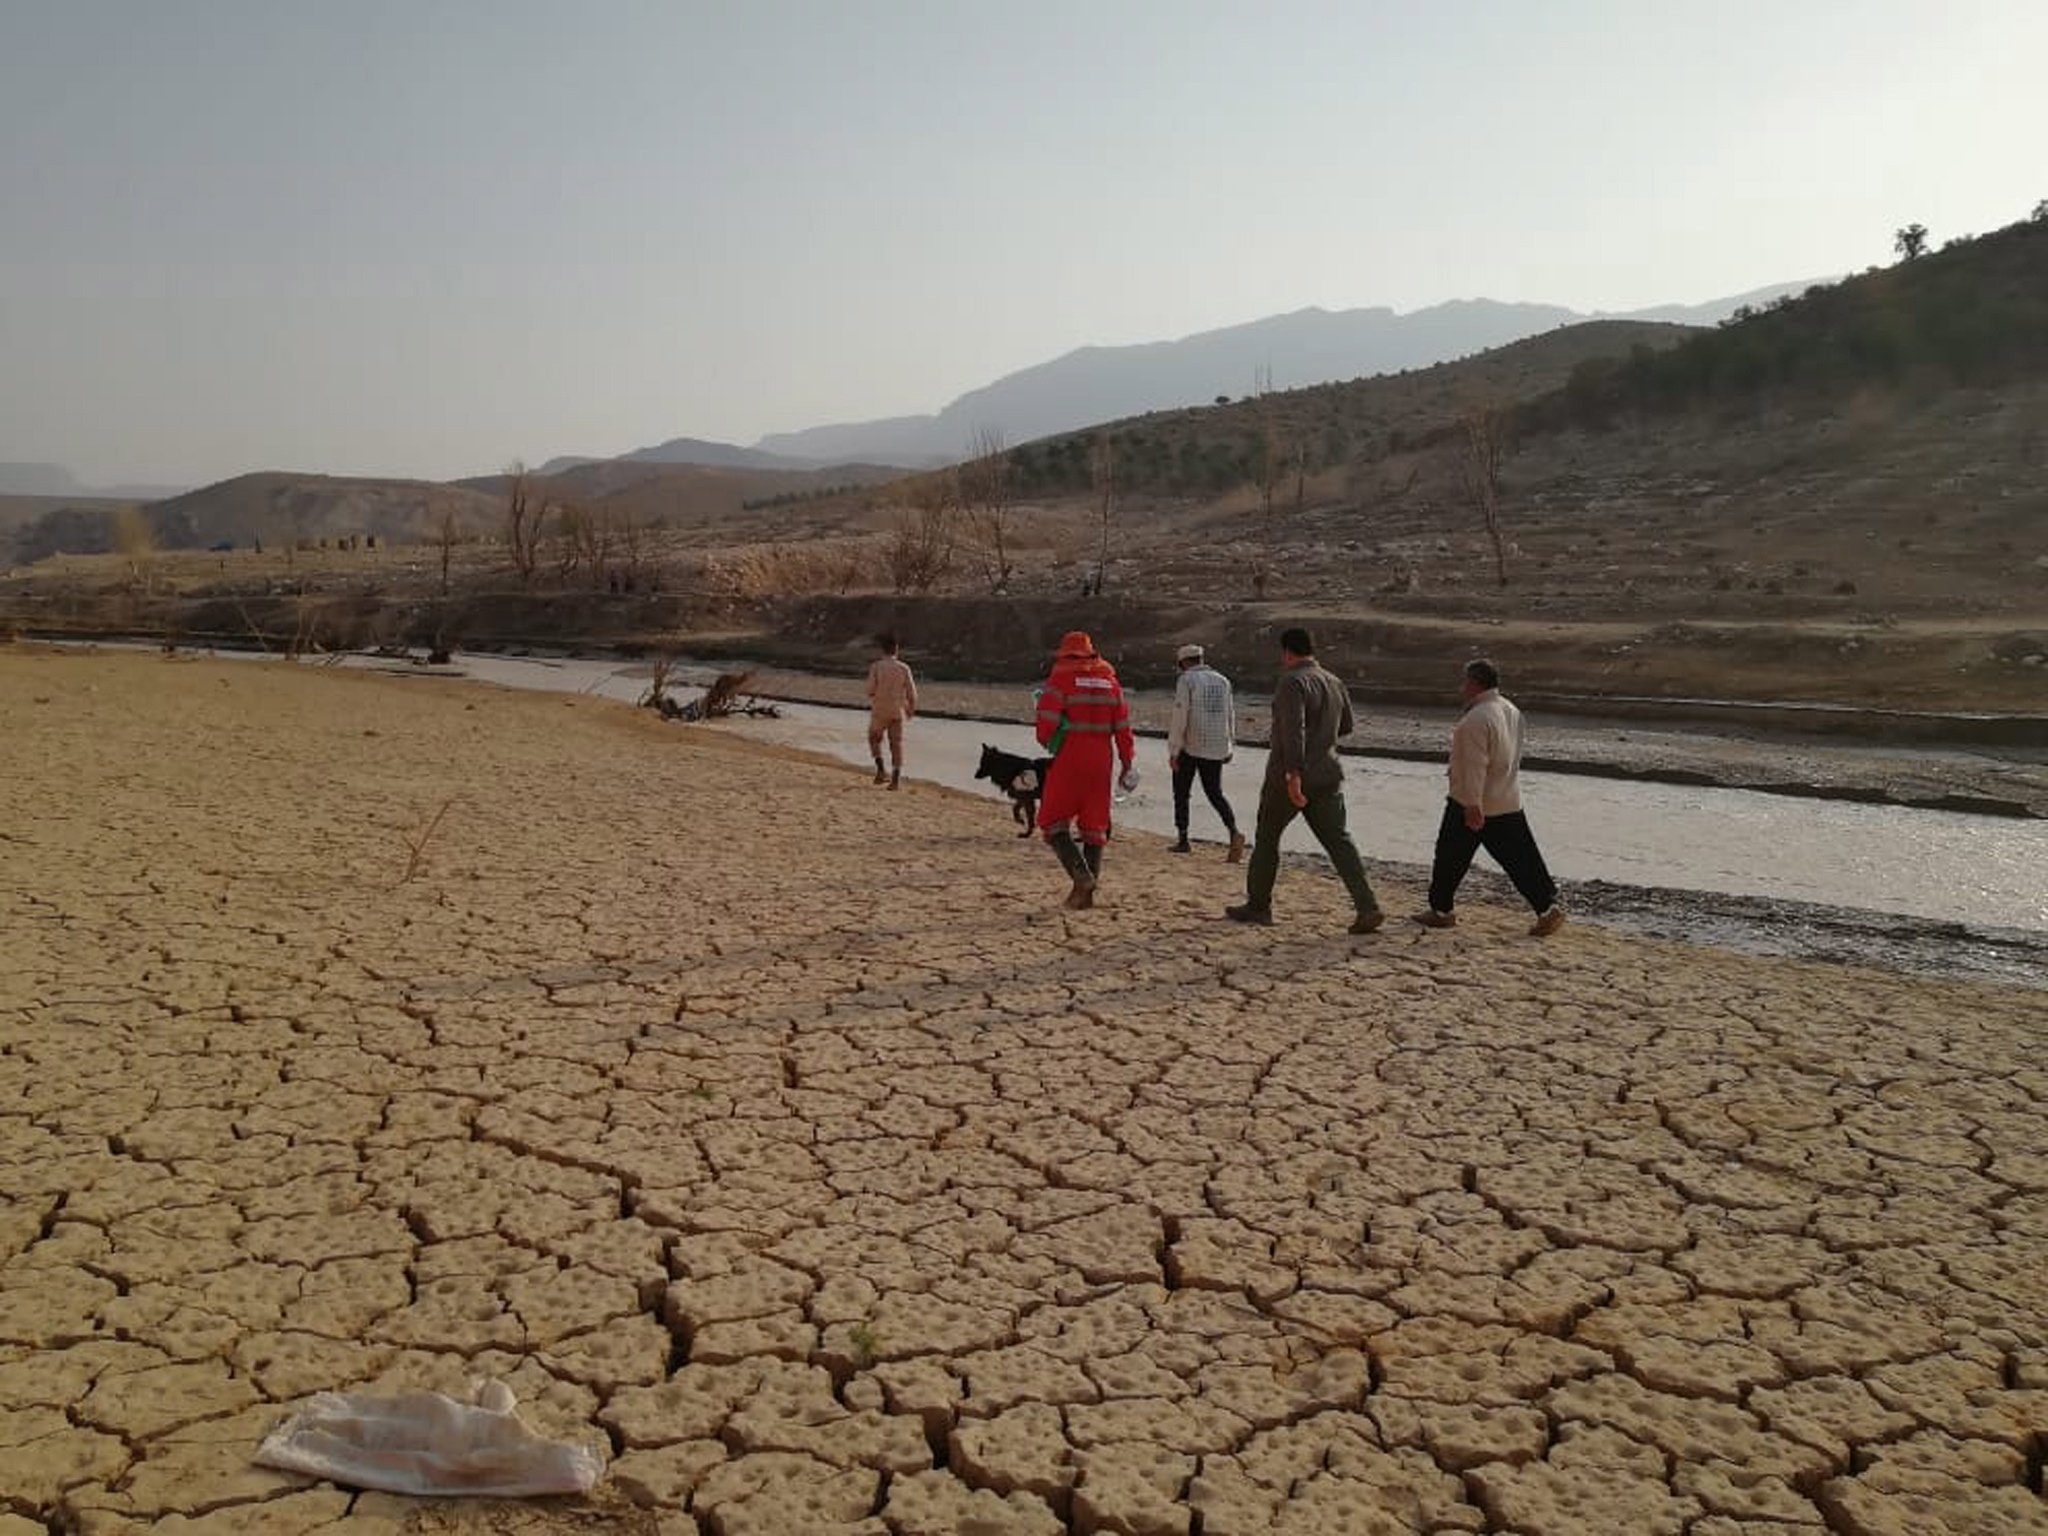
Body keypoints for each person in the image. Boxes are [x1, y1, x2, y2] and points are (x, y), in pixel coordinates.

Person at [1226, 627, 1383, 934]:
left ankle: (1259, 906)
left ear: (1287, 652)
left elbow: (1292, 730)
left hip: (1290, 776)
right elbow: (1346, 726)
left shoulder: (1292, 682)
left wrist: (1293, 774)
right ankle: (1368, 906)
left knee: (1268, 837)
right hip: (1328, 772)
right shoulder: (1334, 681)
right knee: (1340, 841)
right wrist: (1321, 740)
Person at [1414, 658, 1565, 936]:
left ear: (1473, 683)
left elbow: (1474, 765)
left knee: (1449, 856)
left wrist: (1472, 804)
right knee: (1522, 858)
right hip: (1507, 798)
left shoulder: (1476, 719)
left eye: (1465, 682)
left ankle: (1441, 910)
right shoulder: (1511, 710)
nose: (1462, 688)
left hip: (1472, 802)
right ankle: (1547, 906)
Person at [1035, 631, 1137, 910]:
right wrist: (1127, 762)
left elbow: (1046, 726)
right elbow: (1124, 728)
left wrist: (1049, 740)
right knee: (1095, 825)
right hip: (1102, 760)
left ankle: (1082, 878)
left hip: (1070, 756)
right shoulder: (1110, 682)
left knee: (1053, 820)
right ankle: (1086, 895)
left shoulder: (1060, 679)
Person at [1165, 644, 1245, 861]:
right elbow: (1230, 714)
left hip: (1190, 744)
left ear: (1183, 663)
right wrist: (1230, 745)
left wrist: (1174, 750)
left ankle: (1183, 839)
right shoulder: (1223, 680)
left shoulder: (1186, 680)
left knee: (1181, 793)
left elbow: (1180, 715)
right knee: (1215, 793)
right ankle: (1233, 831)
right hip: (1216, 745)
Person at [865, 632, 917, 789]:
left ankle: (881, 770)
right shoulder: (904, 668)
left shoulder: (876, 667)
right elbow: (912, 693)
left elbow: (870, 690)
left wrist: (876, 696)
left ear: (882, 650)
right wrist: (910, 709)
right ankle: (895, 780)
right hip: (897, 710)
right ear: (896, 649)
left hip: (880, 708)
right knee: (896, 744)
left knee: (874, 738)